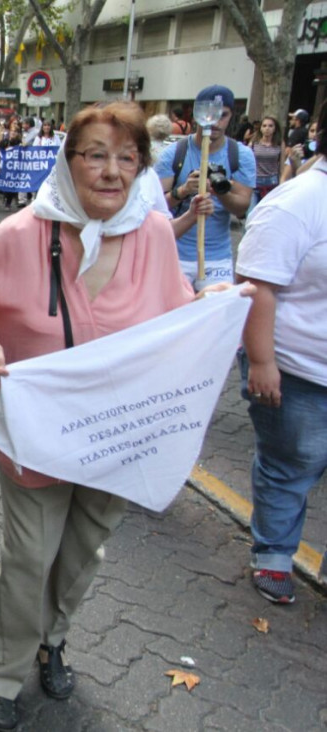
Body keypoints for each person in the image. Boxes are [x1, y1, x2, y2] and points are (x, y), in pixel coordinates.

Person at [0, 101, 227, 732]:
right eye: (95, 154)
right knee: (31, 559)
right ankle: (2, 671)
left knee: (83, 555)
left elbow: (173, 317)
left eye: (127, 157)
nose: (111, 170)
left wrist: (209, 307)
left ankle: (53, 640)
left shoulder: (155, 233)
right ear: (69, 160)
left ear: (142, 165)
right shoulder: (25, 232)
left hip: (121, 438)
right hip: (36, 437)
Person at [236, 104, 327, 605]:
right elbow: (257, 286)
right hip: (298, 370)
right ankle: (273, 553)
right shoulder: (300, 202)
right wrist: (263, 361)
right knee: (291, 464)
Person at [156, 84, 254, 290]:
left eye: (223, 115)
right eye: (208, 114)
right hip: (175, 253)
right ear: (195, 115)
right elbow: (156, 209)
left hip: (217, 257)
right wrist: (182, 191)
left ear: (231, 116)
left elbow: (241, 207)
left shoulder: (241, 155)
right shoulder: (173, 153)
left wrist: (220, 190)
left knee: (215, 316)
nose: (215, 122)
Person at [249, 116, 284, 201]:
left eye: (270, 126)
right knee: (251, 212)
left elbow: (282, 166)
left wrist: (282, 183)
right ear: (260, 128)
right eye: (264, 126)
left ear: (275, 128)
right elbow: (247, 163)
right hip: (255, 182)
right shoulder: (254, 143)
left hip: (271, 182)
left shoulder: (279, 143)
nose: (267, 128)